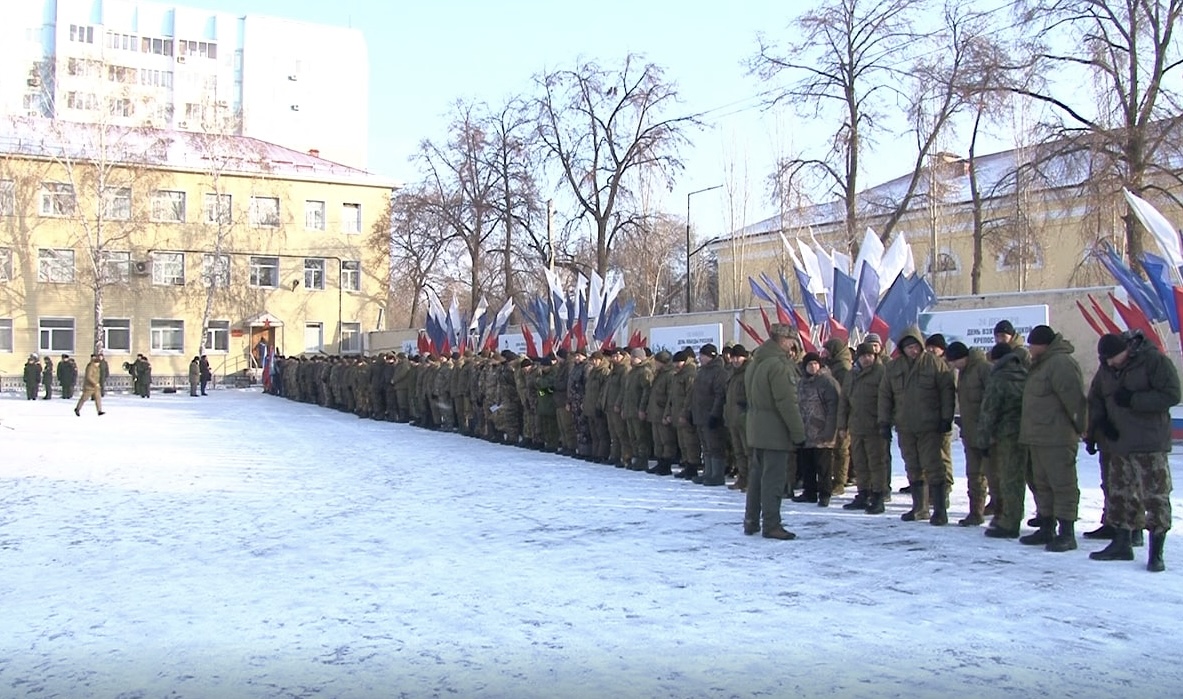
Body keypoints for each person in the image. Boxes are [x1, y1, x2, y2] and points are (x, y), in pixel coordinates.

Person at [1087, 332, 1179, 572]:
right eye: (1105, 360)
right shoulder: (1106, 368)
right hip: (1118, 442)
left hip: (1149, 443)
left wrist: (1134, 400)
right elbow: (1096, 397)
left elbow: (1171, 394)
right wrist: (1098, 426)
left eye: (1113, 358)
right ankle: (1121, 543)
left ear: (1126, 349)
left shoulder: (1153, 361)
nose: (1109, 364)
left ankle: (1156, 551)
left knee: (1155, 497)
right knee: (1119, 494)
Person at [1018, 324, 1087, 552]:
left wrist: (1082, 427)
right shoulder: (1041, 365)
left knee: (1063, 485)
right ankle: (1046, 527)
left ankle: (1067, 533)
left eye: (1033, 344)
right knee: (1043, 485)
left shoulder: (1060, 364)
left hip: (1057, 437)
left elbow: (1074, 400)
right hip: (1038, 436)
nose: (1029, 348)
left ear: (1043, 345)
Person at [879, 328, 957, 525]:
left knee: (934, 466)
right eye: (908, 347)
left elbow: (946, 393)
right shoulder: (894, 367)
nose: (912, 351)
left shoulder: (935, 364)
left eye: (914, 346)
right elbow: (885, 396)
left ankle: (939, 509)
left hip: (929, 425)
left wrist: (946, 418)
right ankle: (919, 508)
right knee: (912, 466)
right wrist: (884, 421)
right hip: (905, 426)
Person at [743, 323, 807, 540]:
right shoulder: (778, 365)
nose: (792, 346)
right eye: (791, 341)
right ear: (783, 340)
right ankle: (771, 524)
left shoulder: (756, 362)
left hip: (756, 427)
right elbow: (787, 402)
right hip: (775, 430)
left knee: (756, 477)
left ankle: (751, 520)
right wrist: (798, 433)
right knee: (773, 479)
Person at [976, 343, 1029, 538]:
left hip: (1006, 435)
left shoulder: (999, 378)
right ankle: (1018, 517)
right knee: (1021, 478)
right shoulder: (1025, 374)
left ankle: (1009, 522)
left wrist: (982, 441)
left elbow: (989, 411)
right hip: (1027, 433)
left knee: (1009, 479)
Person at [944, 341, 995, 526]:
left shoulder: (984, 369)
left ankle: (1002, 514)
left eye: (956, 360)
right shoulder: (964, 373)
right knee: (974, 474)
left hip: (987, 434)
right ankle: (976, 512)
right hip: (971, 433)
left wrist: (989, 430)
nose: (954, 365)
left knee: (993, 475)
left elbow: (992, 400)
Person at [839, 342, 888, 514]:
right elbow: (844, 401)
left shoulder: (881, 373)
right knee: (860, 463)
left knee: (876, 463)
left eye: (870, 355)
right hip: (856, 426)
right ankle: (863, 493)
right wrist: (842, 425)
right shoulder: (851, 375)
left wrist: (885, 421)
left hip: (875, 426)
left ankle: (878, 495)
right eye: (863, 356)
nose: (867, 359)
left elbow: (886, 399)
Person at [793, 352, 840, 506]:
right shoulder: (801, 383)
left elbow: (834, 408)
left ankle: (825, 494)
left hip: (822, 432)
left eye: (815, 364)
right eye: (809, 364)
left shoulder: (827, 382)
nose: (812, 367)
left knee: (824, 467)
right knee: (807, 465)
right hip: (805, 431)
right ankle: (810, 492)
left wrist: (830, 431)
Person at [691, 343, 729, 486]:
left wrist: (715, 414)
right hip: (700, 414)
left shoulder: (719, 372)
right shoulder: (701, 371)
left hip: (711, 415)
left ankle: (717, 475)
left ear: (710, 356)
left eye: (703, 355)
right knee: (706, 446)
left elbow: (720, 395)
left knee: (715, 446)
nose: (700, 358)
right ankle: (708, 473)